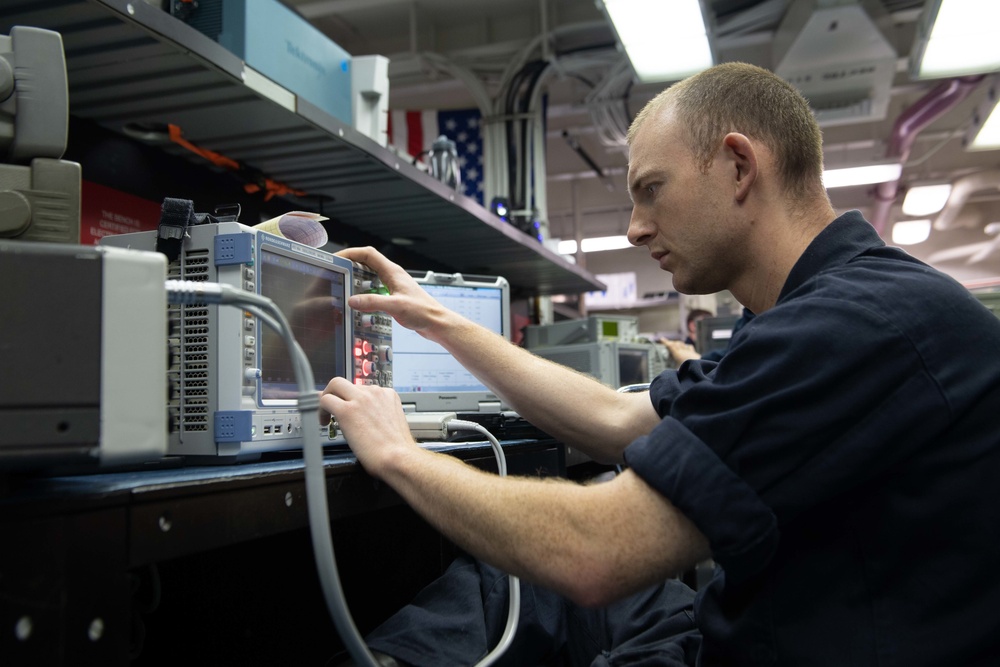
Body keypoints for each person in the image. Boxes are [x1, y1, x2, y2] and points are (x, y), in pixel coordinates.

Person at [320, 61, 1000, 666]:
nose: (635, 227)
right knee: (515, 586)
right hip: (768, 624)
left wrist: (399, 455)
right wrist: (438, 319)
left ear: (738, 166)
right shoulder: (820, 311)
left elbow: (595, 552)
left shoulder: (852, 325)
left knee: (544, 566)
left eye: (652, 189)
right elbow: (619, 417)